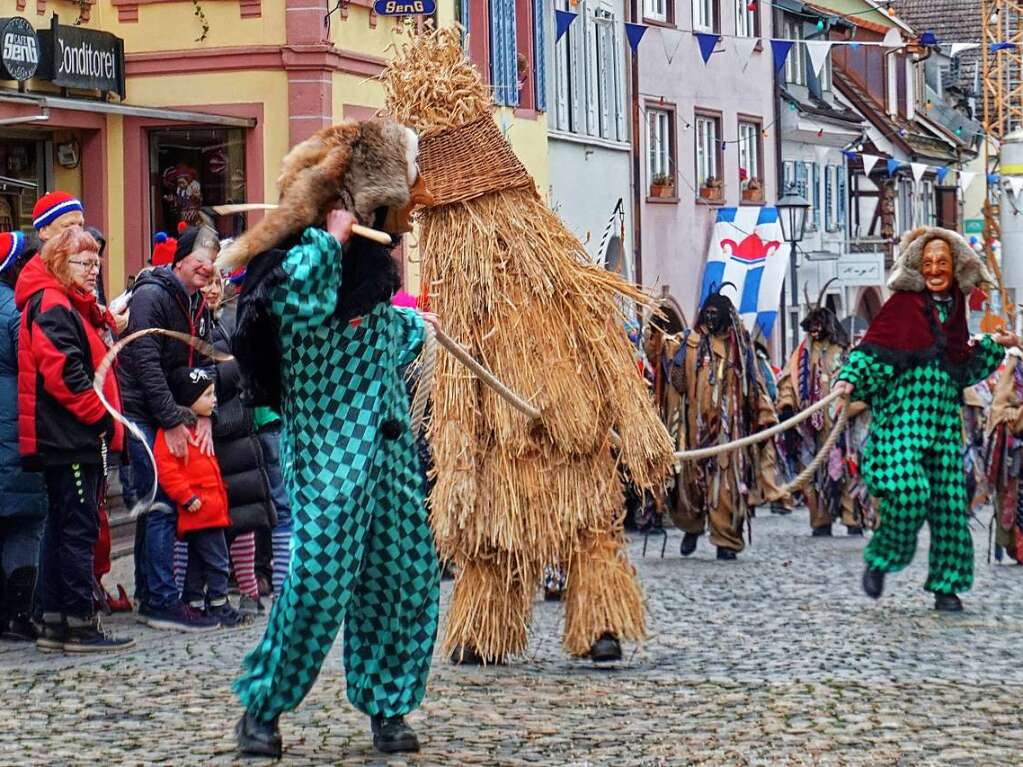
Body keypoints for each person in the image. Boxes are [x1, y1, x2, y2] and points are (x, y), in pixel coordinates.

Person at [223, 118, 441, 758]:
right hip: (328, 450)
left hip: (389, 443)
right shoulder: (295, 262)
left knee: (401, 572)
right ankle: (263, 707)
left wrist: (412, 331)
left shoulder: (372, 263)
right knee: (318, 577)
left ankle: (389, 706)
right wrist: (329, 241)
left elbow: (376, 336)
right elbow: (302, 310)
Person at [834, 226, 1016, 612]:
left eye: (943, 262)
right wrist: (848, 379)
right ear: (918, 266)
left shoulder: (955, 314)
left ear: (955, 268)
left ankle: (947, 587)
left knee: (951, 508)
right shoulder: (900, 308)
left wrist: (998, 345)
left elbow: (963, 362)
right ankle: (881, 559)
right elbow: (870, 351)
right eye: (929, 262)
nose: (935, 269)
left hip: (943, 428)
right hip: (901, 424)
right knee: (910, 492)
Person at [16, 227, 134, 652]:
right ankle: (78, 624)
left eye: (96, 264)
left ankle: (56, 621)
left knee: (65, 527)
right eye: (85, 264)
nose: (93, 271)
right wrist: (104, 419)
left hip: (69, 436)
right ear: (60, 266)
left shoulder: (62, 303)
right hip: (69, 438)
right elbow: (67, 377)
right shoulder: (51, 305)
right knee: (76, 530)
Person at [118, 225, 220, 631]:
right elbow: (146, 365)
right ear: (179, 259)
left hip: (165, 410)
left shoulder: (192, 300)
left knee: (153, 504)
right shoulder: (152, 296)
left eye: (213, 259)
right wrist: (173, 419)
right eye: (201, 258)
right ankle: (160, 600)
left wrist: (204, 411)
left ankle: (151, 593)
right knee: (159, 503)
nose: (209, 267)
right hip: (143, 412)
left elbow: (201, 361)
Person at [668, 287, 778, 560]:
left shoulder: (739, 348)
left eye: (717, 314)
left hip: (729, 435)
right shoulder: (689, 344)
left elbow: (755, 385)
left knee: (725, 487)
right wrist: (664, 349)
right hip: (694, 430)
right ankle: (691, 527)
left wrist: (765, 415)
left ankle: (726, 540)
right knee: (690, 484)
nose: (711, 318)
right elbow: (676, 381)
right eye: (708, 313)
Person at [154, 367, 249, 627]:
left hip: (210, 509)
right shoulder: (173, 433)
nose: (214, 400)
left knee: (198, 561)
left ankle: (193, 600)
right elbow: (168, 469)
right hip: (200, 510)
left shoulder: (200, 429)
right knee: (218, 560)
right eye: (208, 395)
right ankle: (219, 603)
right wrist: (186, 496)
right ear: (188, 400)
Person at [203, 269, 274, 614]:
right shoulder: (199, 325)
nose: (213, 290)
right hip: (216, 427)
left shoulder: (225, 321)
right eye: (207, 283)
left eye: (217, 283)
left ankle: (247, 590)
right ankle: (208, 591)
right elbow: (221, 375)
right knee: (209, 516)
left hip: (235, 428)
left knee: (244, 515)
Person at [777, 280, 867, 536]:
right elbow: (788, 380)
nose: (815, 331)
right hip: (812, 427)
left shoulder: (844, 352)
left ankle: (852, 518)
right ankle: (821, 520)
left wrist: (854, 407)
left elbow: (860, 384)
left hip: (843, 426)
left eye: (819, 326)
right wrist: (786, 405)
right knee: (814, 474)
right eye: (811, 327)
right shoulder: (801, 354)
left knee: (849, 469)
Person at [0, 232, 48, 641]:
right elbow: (35, 366)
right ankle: (18, 612)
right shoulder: (17, 312)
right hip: (16, 423)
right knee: (26, 520)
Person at [985, 351, 1023, 563]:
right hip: (1016, 448)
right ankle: (1014, 545)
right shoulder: (1013, 369)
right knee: (1012, 495)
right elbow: (1000, 407)